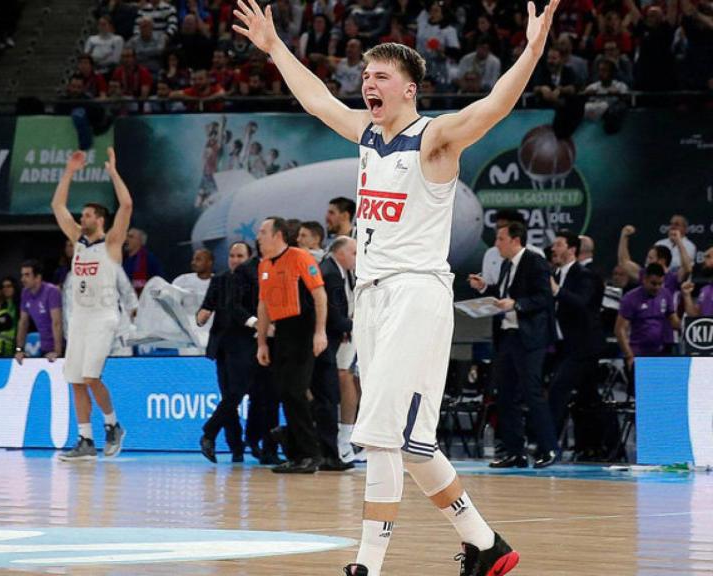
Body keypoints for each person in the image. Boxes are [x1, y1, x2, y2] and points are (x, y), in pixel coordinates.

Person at [233, 0, 563, 572]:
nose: (368, 84)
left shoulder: (434, 139)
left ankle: (367, 564)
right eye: (365, 76)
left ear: (409, 90)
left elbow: (494, 106)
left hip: (416, 292)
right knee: (412, 446)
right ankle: (488, 546)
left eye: (381, 76)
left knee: (382, 437)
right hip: (374, 295)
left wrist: (532, 50)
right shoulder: (367, 134)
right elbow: (316, 99)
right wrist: (275, 47)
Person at [52, 147, 132, 461]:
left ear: (99, 219)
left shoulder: (111, 243)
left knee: (90, 376)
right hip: (80, 319)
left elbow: (126, 204)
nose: (80, 217)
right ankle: (85, 439)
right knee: (75, 380)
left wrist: (112, 172)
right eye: (81, 214)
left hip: (104, 317)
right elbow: (57, 205)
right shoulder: (77, 240)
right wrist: (69, 171)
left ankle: (113, 426)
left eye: (86, 214)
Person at [469, 221, 558, 470]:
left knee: (532, 392)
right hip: (508, 336)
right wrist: (485, 288)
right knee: (505, 394)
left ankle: (549, 447)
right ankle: (514, 451)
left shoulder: (534, 261)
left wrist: (517, 304)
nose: (496, 244)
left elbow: (544, 297)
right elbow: (504, 292)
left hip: (529, 338)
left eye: (500, 239)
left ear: (515, 240)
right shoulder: (508, 264)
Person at [255, 217, 328, 474]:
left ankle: (312, 454)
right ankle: (297, 455)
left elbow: (319, 295)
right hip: (282, 331)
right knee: (285, 392)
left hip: (304, 328)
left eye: (263, 232)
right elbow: (263, 306)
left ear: (277, 235)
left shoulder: (300, 257)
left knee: (297, 391)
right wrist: (262, 342)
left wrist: (320, 332)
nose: (259, 236)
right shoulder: (264, 265)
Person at [198, 241, 256, 463]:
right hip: (222, 346)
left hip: (245, 345)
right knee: (230, 396)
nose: (234, 260)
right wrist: (200, 316)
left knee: (236, 394)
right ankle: (235, 448)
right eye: (232, 255)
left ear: (249, 258)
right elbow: (206, 307)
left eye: (240, 255)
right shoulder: (220, 279)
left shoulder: (254, 279)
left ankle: (210, 432)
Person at [546, 230, 603, 447]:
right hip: (563, 346)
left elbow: (582, 303)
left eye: (558, 245)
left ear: (571, 250)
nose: (553, 249)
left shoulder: (585, 275)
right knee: (588, 399)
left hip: (583, 347)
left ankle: (548, 445)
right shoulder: (557, 274)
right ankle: (598, 446)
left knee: (558, 391)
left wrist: (557, 290)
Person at [314, 235, 357, 471]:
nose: (357, 258)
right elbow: (334, 317)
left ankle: (328, 452)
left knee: (327, 397)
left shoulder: (340, 271)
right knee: (327, 397)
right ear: (340, 252)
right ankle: (329, 454)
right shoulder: (330, 272)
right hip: (323, 342)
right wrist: (358, 325)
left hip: (332, 340)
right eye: (354, 253)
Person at [616, 263, 680, 372]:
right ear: (644, 279)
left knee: (660, 387)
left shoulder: (666, 294)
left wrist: (685, 326)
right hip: (637, 354)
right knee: (637, 389)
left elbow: (673, 320)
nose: (657, 287)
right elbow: (620, 329)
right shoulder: (630, 298)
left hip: (660, 352)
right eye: (653, 283)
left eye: (660, 284)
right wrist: (629, 356)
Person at [15, 259, 64, 363]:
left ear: (38, 277)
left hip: (63, 346)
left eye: (27, 275)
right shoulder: (25, 293)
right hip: (44, 347)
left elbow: (57, 323)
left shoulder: (52, 291)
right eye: (22, 275)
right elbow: (23, 323)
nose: (22, 279)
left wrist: (58, 352)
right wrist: (19, 350)